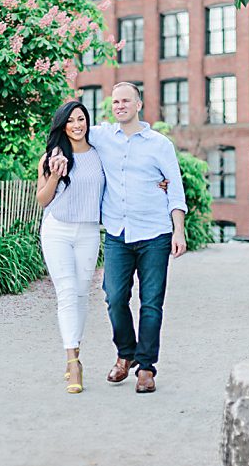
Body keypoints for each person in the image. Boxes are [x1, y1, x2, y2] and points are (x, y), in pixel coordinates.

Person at [86, 82, 188, 394]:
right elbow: (70, 131)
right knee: (114, 297)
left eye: (126, 101)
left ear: (138, 104)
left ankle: (145, 367)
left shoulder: (159, 144)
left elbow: (174, 187)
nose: (120, 106)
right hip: (117, 232)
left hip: (155, 233)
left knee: (151, 303)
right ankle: (125, 353)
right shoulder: (101, 136)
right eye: (115, 102)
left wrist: (178, 230)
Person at [36, 101, 105, 394]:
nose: (77, 125)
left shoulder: (100, 155)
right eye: (71, 121)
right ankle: (73, 361)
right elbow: (42, 200)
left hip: (89, 230)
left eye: (81, 119)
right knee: (66, 293)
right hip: (58, 230)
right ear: (62, 125)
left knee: (80, 293)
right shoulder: (52, 157)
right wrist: (55, 174)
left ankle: (74, 351)